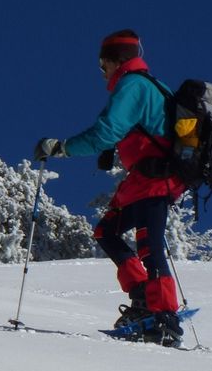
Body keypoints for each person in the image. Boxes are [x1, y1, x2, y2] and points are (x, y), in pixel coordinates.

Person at [34, 29, 185, 346]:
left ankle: (165, 317)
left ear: (118, 60)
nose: (102, 73)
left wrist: (60, 148)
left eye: (103, 66)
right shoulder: (152, 86)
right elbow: (146, 127)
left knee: (149, 244)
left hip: (156, 179)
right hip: (146, 179)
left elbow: (106, 129)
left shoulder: (132, 85)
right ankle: (143, 297)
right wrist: (113, 148)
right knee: (107, 231)